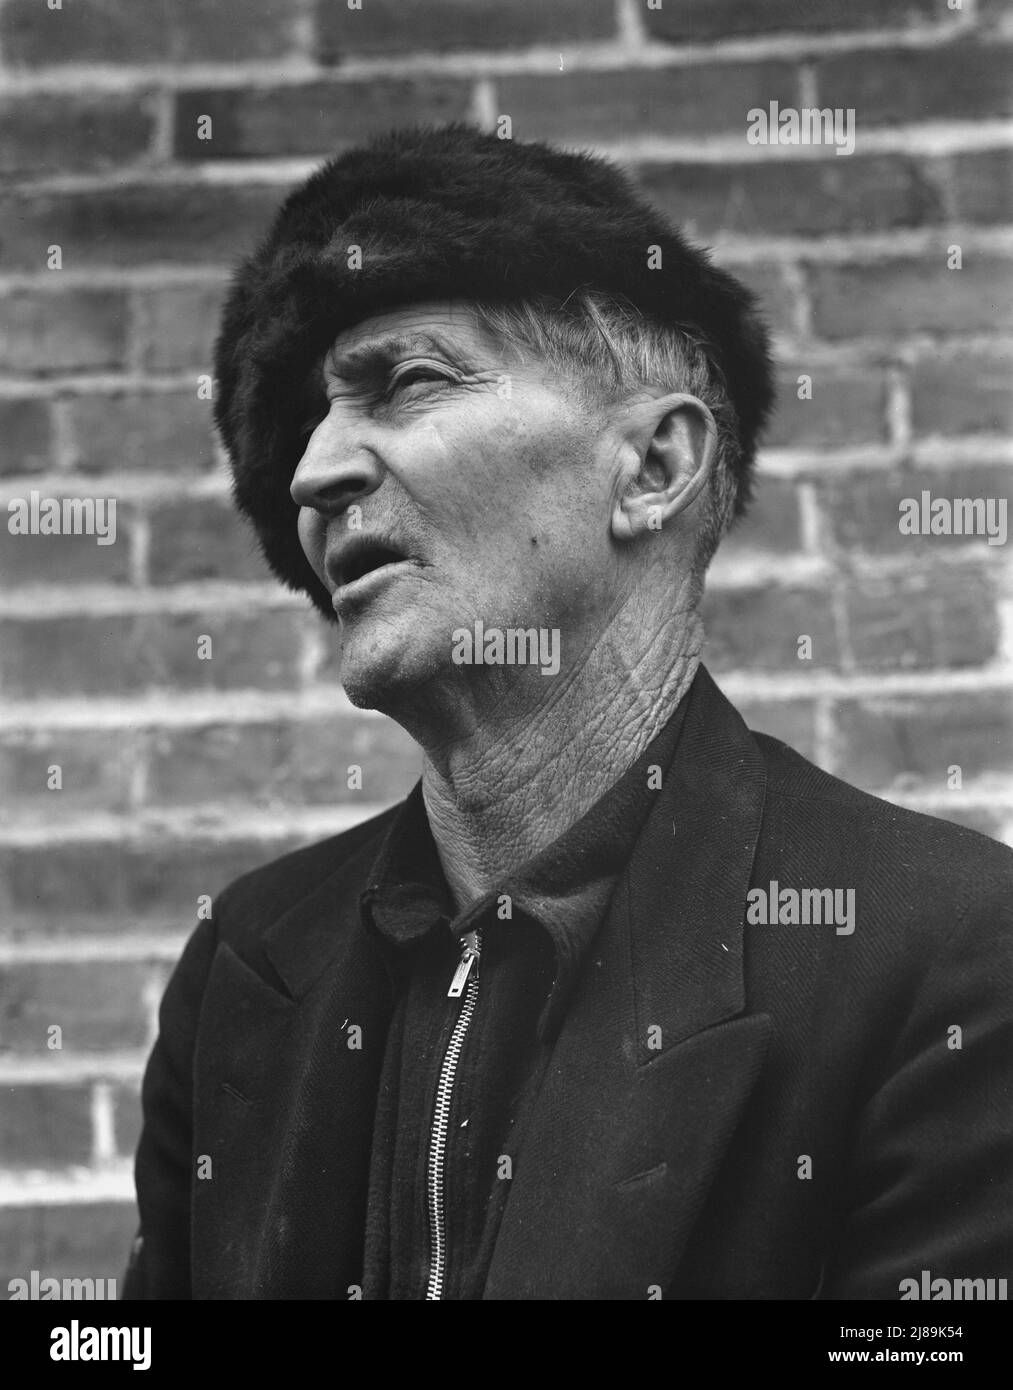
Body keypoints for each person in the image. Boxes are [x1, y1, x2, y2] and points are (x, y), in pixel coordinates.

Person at [122, 125, 1011, 1301]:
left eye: (408, 381)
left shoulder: (940, 954)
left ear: (651, 467)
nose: (313, 471)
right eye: (308, 425)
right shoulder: (248, 961)